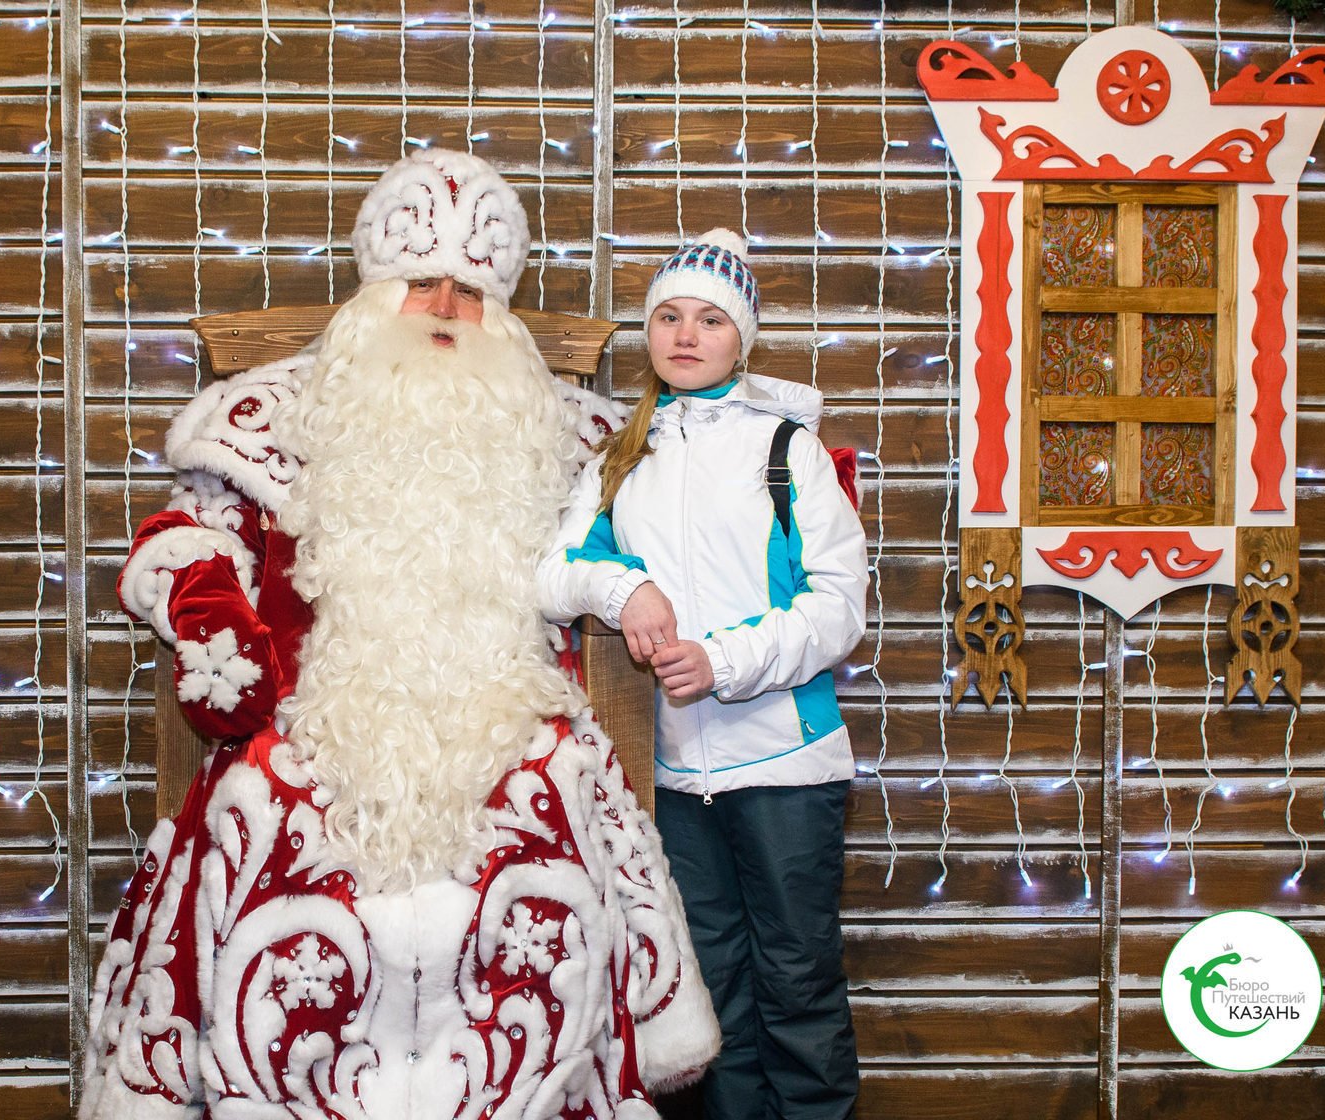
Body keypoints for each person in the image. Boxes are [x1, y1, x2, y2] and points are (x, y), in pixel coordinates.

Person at [81, 148, 720, 1120]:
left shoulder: (559, 437)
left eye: (469, 292)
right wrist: (211, 614)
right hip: (311, 721)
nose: (445, 308)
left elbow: (636, 548)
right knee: (266, 798)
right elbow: (186, 536)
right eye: (421, 284)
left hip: (509, 725)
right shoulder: (272, 421)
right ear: (374, 297)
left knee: (557, 786)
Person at [537, 229, 868, 1120]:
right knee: (712, 986)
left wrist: (722, 661)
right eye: (669, 317)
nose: (686, 335)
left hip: (786, 767)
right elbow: (556, 572)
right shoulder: (623, 456)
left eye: (710, 320)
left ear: (742, 338)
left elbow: (839, 608)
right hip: (675, 775)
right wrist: (629, 587)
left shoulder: (786, 450)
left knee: (797, 982)